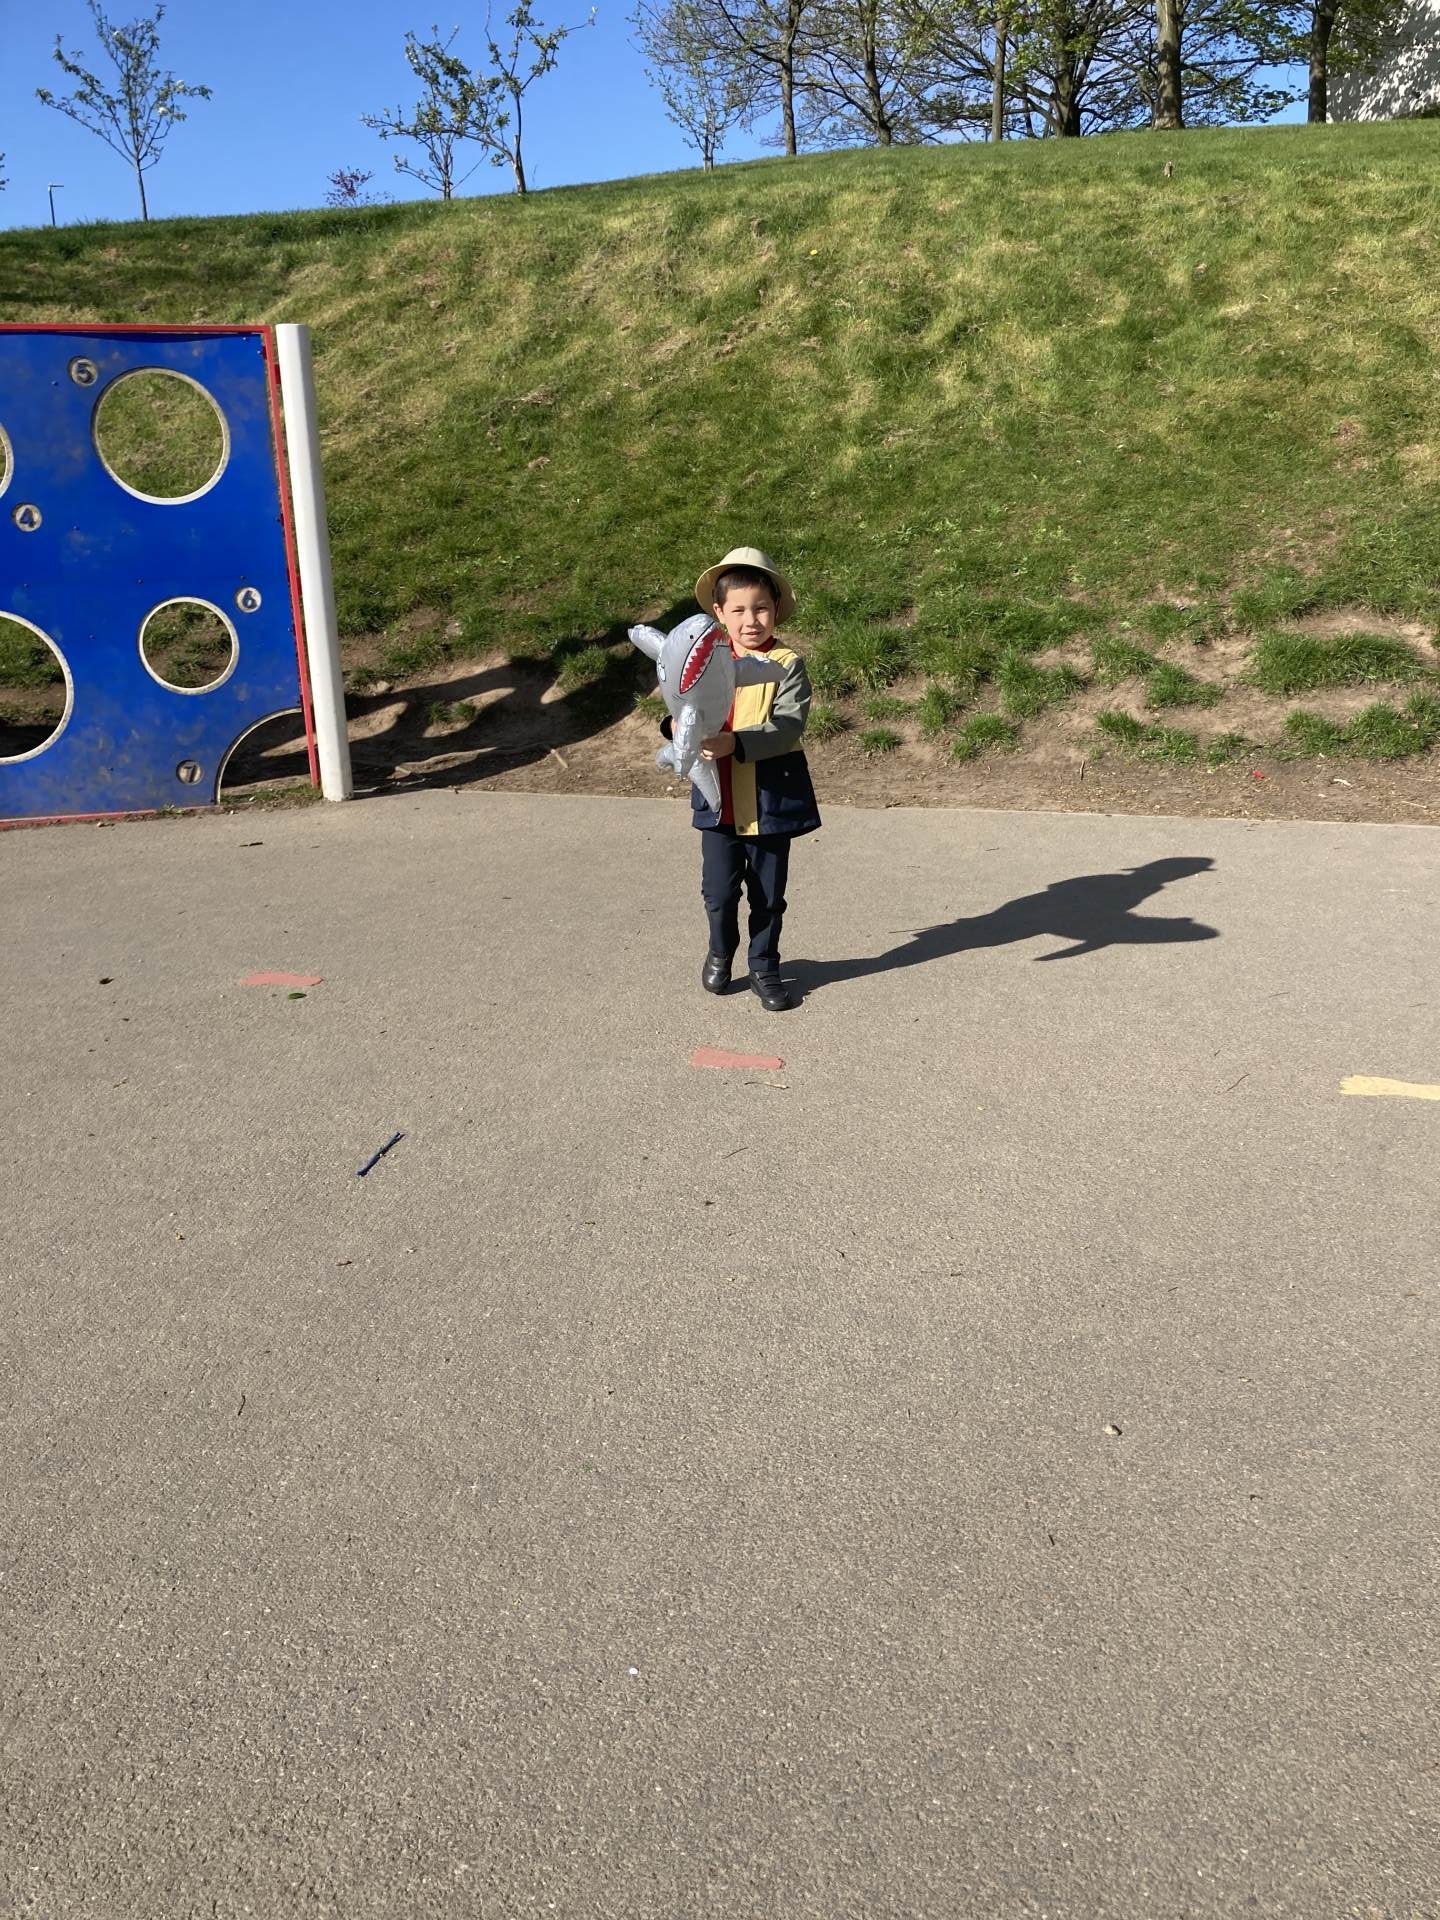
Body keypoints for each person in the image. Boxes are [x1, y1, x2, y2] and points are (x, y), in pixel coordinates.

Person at [663, 546, 821, 1012]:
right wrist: (673, 727)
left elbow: (789, 726)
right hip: (717, 802)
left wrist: (736, 743)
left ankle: (764, 966)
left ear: (776, 609)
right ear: (719, 612)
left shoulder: (787, 663)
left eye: (761, 608)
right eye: (738, 610)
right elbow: (678, 700)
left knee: (768, 895)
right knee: (718, 892)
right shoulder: (704, 658)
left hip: (770, 800)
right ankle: (720, 950)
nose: (751, 620)